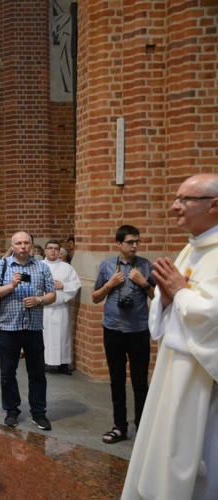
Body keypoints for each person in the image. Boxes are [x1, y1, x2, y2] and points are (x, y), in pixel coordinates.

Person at [123, 174, 218, 499]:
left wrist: (180, 293)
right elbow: (174, 303)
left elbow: (213, 314)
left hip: (202, 377)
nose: (174, 206)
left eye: (184, 200)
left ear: (214, 205)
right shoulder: (191, 250)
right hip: (174, 367)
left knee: (198, 456)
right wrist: (165, 299)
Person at [92, 225, 155, 445]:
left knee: (140, 381)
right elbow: (95, 297)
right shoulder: (107, 266)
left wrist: (143, 283)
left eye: (137, 241)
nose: (135, 246)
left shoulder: (146, 265)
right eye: (130, 242)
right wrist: (110, 284)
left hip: (138, 329)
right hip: (113, 329)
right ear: (119, 243)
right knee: (116, 379)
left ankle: (143, 427)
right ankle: (120, 426)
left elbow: (157, 298)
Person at [0, 231, 56, 431]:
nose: (23, 246)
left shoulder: (41, 267)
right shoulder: (1, 266)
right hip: (9, 326)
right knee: (8, 372)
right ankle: (11, 410)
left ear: (33, 246)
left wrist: (39, 300)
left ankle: (39, 412)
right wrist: (11, 285)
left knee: (37, 373)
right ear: (12, 246)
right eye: (19, 243)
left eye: (26, 243)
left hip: (33, 327)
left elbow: (52, 294)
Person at [41, 239, 81, 375]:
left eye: (56, 248)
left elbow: (76, 285)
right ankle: (42, 363)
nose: (53, 250)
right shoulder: (37, 266)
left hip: (61, 309)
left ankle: (63, 364)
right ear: (45, 250)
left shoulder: (67, 268)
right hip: (43, 309)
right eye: (50, 248)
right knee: (43, 337)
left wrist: (62, 286)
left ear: (59, 251)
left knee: (62, 337)